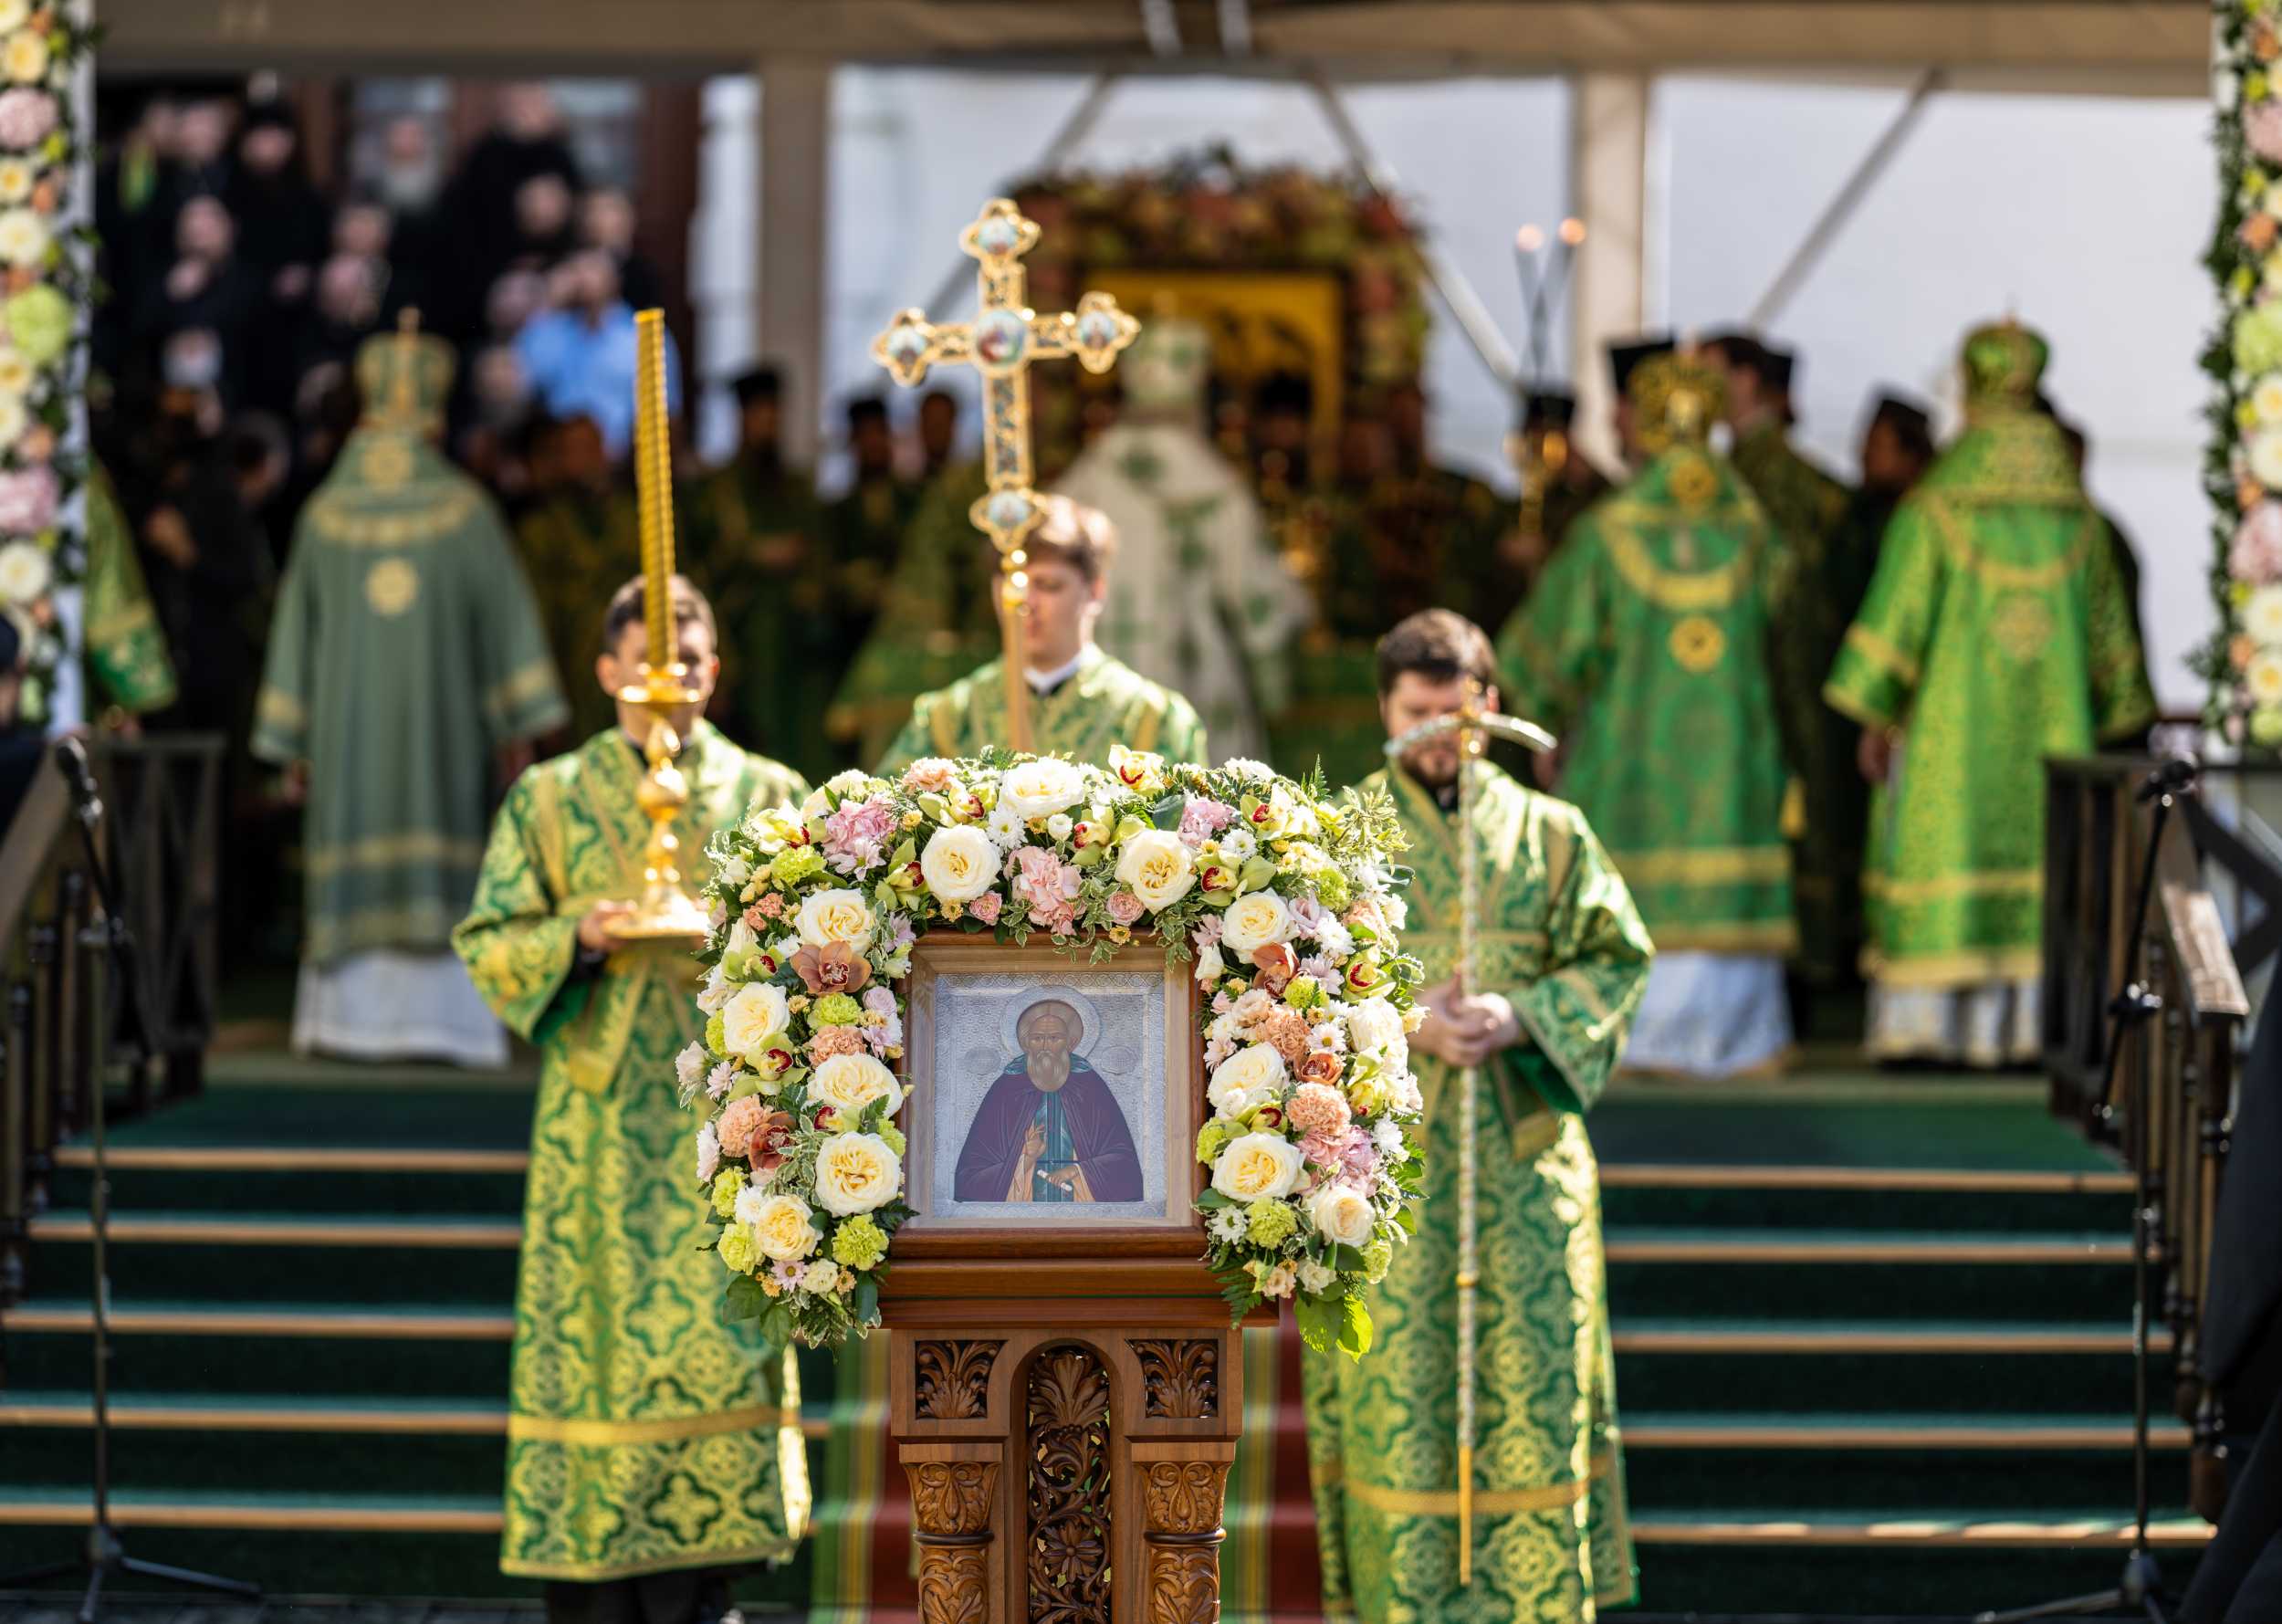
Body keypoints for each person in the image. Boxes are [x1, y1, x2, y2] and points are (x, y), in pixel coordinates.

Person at [454, 572, 810, 1610]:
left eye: (686, 660)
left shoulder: (770, 793)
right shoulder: (548, 796)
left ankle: (709, 1584)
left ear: (713, 673)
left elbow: (826, 942)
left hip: (729, 1116)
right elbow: (489, 940)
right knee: (599, 1345)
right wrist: (579, 933)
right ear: (607, 670)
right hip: (600, 1117)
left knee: (721, 1335)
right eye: (647, 660)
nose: (668, 679)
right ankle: (595, 1584)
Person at [1303, 609, 1649, 1624]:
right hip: (1382, 1170)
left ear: (1490, 706)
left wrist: (1519, 1014)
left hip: (1521, 1161)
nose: (1436, 739)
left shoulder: (1552, 833)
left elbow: (1617, 957)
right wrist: (1409, 1019)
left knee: (1533, 1387)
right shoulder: (1338, 835)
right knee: (1398, 1397)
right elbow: (1288, 982)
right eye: (1415, 716)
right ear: (1384, 710)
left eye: (1455, 715)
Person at [1825, 320, 2154, 1066]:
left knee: (1944, 850)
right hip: (2053, 744)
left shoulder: (1934, 508)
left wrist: (1875, 714)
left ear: (1969, 390)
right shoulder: (2078, 516)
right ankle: (2028, 1029)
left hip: (1950, 746)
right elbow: (2115, 665)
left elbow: (1894, 629)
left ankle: (1932, 1029)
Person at [253, 324, 568, 1065]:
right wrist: (520, 723)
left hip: (346, 750)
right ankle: (448, 1025)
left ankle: (347, 1024)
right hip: (442, 745)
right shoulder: (464, 510)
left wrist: (289, 740)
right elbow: (509, 630)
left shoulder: (324, 516)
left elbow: (293, 640)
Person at [1499, 345, 1795, 1077]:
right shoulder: (1754, 526)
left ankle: (1644, 1035)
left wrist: (1546, 721)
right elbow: (1787, 622)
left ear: (1645, 424)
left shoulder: (1608, 531)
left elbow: (1548, 649)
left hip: (1629, 754)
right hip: (1734, 750)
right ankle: (1735, 1039)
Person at [1054, 318, 1310, 764]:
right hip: (1193, 673)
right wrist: (1273, 677)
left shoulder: (1087, 475)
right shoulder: (1213, 483)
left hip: (1100, 668)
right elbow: (1252, 594)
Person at [875, 494, 1207, 773]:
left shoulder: (1152, 719)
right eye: (1009, 583)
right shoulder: (948, 719)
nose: (1023, 602)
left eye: (1048, 585)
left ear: (1095, 591)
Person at [688, 364, 830, 775]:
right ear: (742, 418)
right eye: (758, 415)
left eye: (773, 414)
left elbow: (819, 553)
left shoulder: (797, 486)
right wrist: (754, 555)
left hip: (797, 644)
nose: (767, 424)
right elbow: (701, 566)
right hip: (741, 641)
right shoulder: (719, 490)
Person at [515, 414, 640, 746]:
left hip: (634, 666)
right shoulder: (542, 530)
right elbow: (535, 617)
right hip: (573, 672)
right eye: (574, 449)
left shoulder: (634, 517)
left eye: (592, 447)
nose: (585, 459)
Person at [1502, 386, 1613, 609]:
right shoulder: (1523, 501)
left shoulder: (1590, 496)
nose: (1539, 451)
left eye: (1547, 439)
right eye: (1532, 438)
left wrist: (1547, 552)